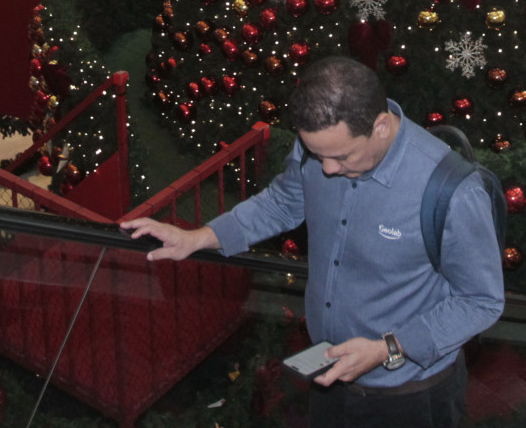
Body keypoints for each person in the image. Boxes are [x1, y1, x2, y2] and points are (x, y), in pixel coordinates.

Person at [123, 57, 504, 423]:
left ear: (381, 126)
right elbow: (284, 201)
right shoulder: (319, 147)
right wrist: (200, 238)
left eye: (340, 156)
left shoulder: (452, 192)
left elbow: (481, 301)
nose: (327, 169)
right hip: (330, 377)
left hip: (411, 398)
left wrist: (387, 349)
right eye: (316, 154)